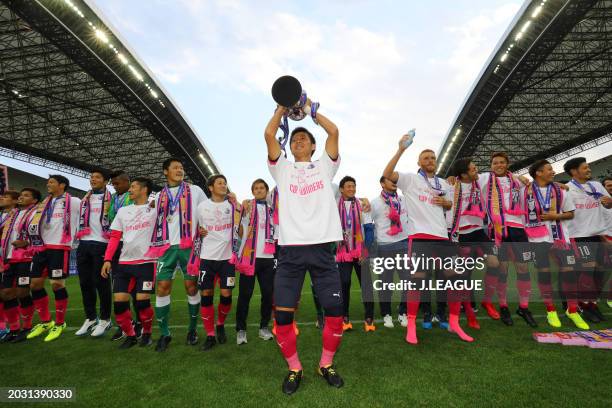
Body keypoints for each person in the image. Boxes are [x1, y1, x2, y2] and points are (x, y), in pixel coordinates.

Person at [265, 97, 345, 395]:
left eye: (305, 138)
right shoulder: (281, 170)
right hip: (290, 253)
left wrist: (312, 112)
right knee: (283, 316)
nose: (299, 140)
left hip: (324, 251)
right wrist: (281, 110)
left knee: (335, 313)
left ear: (313, 147)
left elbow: (333, 132)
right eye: (295, 138)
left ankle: (325, 363)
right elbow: (270, 136)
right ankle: (294, 367)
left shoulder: (325, 167)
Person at [383, 136, 474, 344]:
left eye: (433, 157)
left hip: (442, 237)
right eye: (425, 157)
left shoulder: (444, 183)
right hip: (420, 237)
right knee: (417, 281)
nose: (430, 160)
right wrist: (400, 150)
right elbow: (387, 174)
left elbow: (450, 206)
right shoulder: (410, 180)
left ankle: (454, 323)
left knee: (455, 281)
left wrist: (446, 203)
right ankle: (412, 324)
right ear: (419, 162)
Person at [147, 158, 208, 352]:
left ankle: (192, 330)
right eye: (175, 168)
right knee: (162, 288)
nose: (179, 170)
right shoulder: (158, 197)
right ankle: (165, 334)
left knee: (191, 287)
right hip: (166, 248)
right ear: (165, 171)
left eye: (181, 168)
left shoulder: (195, 190)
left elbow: (207, 210)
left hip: (188, 246)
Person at [477, 152, 535, 327]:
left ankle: (523, 307)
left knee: (523, 267)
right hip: (497, 229)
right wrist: (451, 177)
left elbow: (539, 186)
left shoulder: (517, 181)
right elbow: (468, 178)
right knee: (502, 268)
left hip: (518, 229)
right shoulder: (485, 179)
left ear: (508, 164)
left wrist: (559, 185)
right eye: (495, 163)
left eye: (502, 162)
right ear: (491, 165)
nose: (499, 165)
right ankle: (503, 305)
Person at [101, 177, 156, 349]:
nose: (130, 190)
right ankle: (131, 335)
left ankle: (146, 333)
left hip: (147, 262)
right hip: (124, 263)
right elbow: (115, 237)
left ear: (144, 189)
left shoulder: (155, 208)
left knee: (142, 302)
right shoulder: (123, 211)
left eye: (133, 187)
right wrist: (108, 259)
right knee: (119, 304)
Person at [447, 158, 500, 330]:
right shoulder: (452, 187)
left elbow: (502, 175)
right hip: (461, 234)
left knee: (494, 263)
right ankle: (470, 313)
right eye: (473, 169)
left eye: (476, 168)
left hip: (479, 231)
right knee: (463, 276)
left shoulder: (482, 180)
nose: (477, 170)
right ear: (463, 174)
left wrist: (520, 178)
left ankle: (487, 301)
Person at [26, 175, 81, 342]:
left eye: (51, 182)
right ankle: (45, 321)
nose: (47, 184)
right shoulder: (43, 204)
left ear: (62, 185)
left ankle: (60, 323)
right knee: (34, 285)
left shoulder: (73, 201)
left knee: (57, 284)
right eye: (48, 182)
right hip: (41, 248)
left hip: (59, 247)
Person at [563, 157, 612, 322]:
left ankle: (591, 302)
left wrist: (609, 202)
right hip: (578, 236)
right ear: (574, 171)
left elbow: (608, 207)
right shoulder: (567, 189)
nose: (589, 170)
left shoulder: (597, 186)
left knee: (600, 271)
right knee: (587, 270)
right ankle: (584, 305)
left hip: (598, 234)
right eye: (585, 168)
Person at [235, 178, 276, 344]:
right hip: (249, 257)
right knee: (245, 295)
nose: (259, 190)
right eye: (256, 188)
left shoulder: (273, 210)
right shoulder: (247, 207)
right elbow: (238, 226)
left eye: (262, 188)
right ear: (252, 191)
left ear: (266, 191)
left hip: (268, 258)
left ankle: (263, 327)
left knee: (268, 294)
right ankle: (241, 330)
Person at [75, 169, 113, 337]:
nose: (93, 179)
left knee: (101, 283)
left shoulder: (112, 199)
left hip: (102, 243)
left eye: (97, 177)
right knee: (84, 283)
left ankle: (105, 319)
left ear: (105, 181)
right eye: (91, 177)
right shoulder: (85, 198)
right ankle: (91, 317)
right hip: (83, 243)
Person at [335, 176, 374, 332]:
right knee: (344, 283)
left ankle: (369, 318)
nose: (352, 189)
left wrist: (365, 251)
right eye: (348, 186)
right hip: (343, 252)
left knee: (366, 284)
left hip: (360, 252)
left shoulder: (363, 205)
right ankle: (345, 317)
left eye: (354, 186)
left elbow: (369, 230)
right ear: (341, 189)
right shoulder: (334, 206)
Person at [370, 176, 409, 329]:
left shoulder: (404, 199)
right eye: (390, 180)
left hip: (404, 244)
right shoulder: (375, 203)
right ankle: (386, 314)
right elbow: (366, 222)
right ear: (382, 183)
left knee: (407, 281)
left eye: (395, 180)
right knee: (386, 283)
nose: (394, 182)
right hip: (384, 246)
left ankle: (403, 311)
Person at [107, 170, 140, 341]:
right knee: (120, 287)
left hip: (133, 245)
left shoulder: (135, 197)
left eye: (117, 183)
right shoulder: (112, 199)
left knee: (136, 288)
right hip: (117, 245)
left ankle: (139, 322)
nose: (115, 186)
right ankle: (125, 324)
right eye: (113, 183)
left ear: (127, 181)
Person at [0, 189, 37, 342]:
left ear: (34, 201)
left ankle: (27, 327)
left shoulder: (35, 213)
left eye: (26, 195)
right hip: (9, 258)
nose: (21, 197)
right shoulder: (12, 215)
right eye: (21, 195)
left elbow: (39, 233)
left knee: (22, 293)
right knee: (6, 293)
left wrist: (26, 242)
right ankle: (13, 329)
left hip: (25, 258)